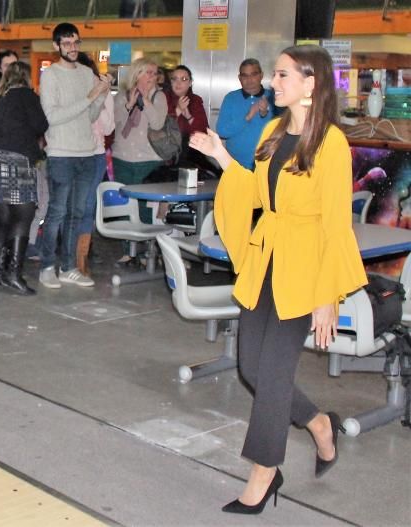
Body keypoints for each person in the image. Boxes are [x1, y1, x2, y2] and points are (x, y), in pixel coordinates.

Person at [189, 44, 365, 515]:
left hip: (305, 270)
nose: (273, 81)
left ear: (311, 85)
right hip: (264, 259)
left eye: (283, 74)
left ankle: (263, 474)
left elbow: (335, 224)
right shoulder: (271, 129)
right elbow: (257, 191)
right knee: (250, 366)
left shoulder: (331, 144)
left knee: (272, 377)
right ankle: (319, 424)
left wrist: (328, 295)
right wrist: (222, 156)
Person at [37, 23, 111, 289]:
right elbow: (52, 117)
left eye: (76, 43)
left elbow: (90, 116)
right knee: (56, 211)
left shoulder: (85, 74)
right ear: (56, 46)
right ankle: (47, 266)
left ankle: (68, 267)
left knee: (77, 213)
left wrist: (100, 96)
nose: (72, 48)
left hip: (87, 153)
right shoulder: (50, 75)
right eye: (67, 43)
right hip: (60, 153)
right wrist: (91, 95)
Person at [0, 61, 48, 295]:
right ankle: (14, 274)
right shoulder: (27, 95)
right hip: (16, 157)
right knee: (24, 214)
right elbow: (41, 125)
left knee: (2, 218)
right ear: (26, 78)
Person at [112, 57, 167, 238]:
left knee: (145, 207)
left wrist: (146, 101)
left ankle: (146, 248)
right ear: (137, 74)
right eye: (148, 72)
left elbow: (158, 123)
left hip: (148, 160)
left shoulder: (159, 96)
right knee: (126, 205)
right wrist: (128, 105)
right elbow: (114, 125)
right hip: (122, 158)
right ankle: (129, 249)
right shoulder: (122, 96)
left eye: (155, 73)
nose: (153, 76)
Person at [74, 52, 114, 279]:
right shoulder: (73, 91)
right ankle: (75, 256)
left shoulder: (104, 90)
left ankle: (80, 257)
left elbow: (108, 128)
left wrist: (101, 98)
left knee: (84, 205)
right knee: (78, 205)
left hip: (91, 153)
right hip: (77, 152)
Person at [216, 58, 276, 170]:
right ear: (239, 78)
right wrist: (247, 117)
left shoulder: (274, 97)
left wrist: (264, 114)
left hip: (267, 165)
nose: (249, 79)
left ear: (261, 75)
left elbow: (282, 130)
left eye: (254, 74)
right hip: (235, 165)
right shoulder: (231, 98)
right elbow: (222, 132)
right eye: (245, 75)